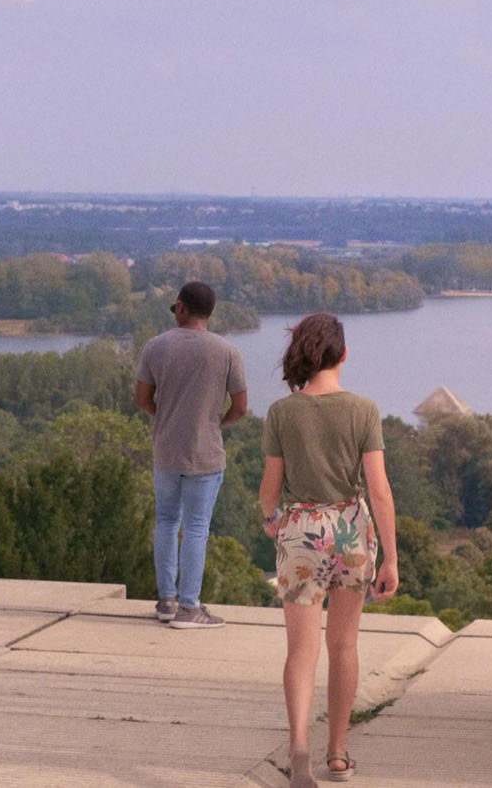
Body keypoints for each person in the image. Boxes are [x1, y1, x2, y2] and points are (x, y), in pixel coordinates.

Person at [259, 313, 398, 787]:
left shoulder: (282, 412)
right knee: (344, 645)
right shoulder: (364, 410)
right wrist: (392, 558)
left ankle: (299, 748)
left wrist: (270, 521)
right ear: (343, 355)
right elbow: (379, 490)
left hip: (300, 533)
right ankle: (337, 753)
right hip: (350, 533)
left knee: (301, 650)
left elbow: (269, 489)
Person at [135, 281, 247, 628]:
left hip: (166, 450)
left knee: (166, 522)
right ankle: (189, 607)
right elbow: (241, 407)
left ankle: (167, 601)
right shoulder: (227, 352)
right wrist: (215, 424)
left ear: (181, 307)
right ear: (209, 312)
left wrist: (167, 419)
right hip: (205, 453)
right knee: (197, 527)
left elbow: (142, 399)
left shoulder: (155, 347)